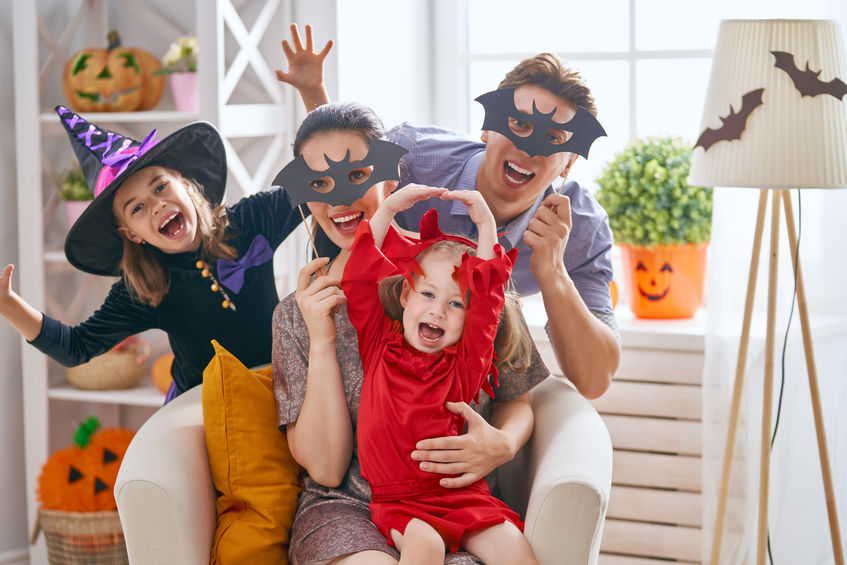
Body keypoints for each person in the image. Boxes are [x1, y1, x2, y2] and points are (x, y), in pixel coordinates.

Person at [276, 24, 621, 400]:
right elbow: (340, 161)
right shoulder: (412, 156)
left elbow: (594, 381)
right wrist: (314, 94)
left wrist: (553, 272)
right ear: (487, 128)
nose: (528, 148)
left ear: (569, 162)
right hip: (371, 331)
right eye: (518, 124)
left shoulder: (580, 228)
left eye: (553, 138)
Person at [272, 101, 549, 565]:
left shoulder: (461, 273)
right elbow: (327, 469)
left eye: (357, 175)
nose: (339, 199)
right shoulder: (295, 315)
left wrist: (502, 444)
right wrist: (321, 340)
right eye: (319, 183)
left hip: (458, 498)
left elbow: (516, 397)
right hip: (346, 510)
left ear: (391, 177)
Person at [0, 106, 304, 400]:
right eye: (137, 208)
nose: (157, 205)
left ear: (185, 183)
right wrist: (8, 304)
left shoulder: (251, 220)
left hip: (281, 387)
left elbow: (316, 179)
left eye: (160, 187)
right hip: (205, 407)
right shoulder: (144, 290)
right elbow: (75, 347)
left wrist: (311, 89)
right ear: (131, 234)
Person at [340, 183, 539, 564]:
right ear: (405, 296)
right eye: (428, 294)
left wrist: (486, 225)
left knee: (515, 549)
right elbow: (359, 277)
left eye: (456, 303)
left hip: (461, 495)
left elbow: (488, 298)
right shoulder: (378, 343)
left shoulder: (466, 365)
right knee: (426, 545)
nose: (438, 311)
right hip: (398, 501)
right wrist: (388, 209)